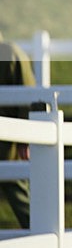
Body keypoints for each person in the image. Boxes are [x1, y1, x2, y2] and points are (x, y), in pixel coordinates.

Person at [0, 31, 35, 229]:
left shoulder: (11, 53)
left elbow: (27, 97)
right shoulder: (12, 52)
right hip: (10, 143)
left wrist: (25, 138)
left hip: (9, 145)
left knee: (20, 197)